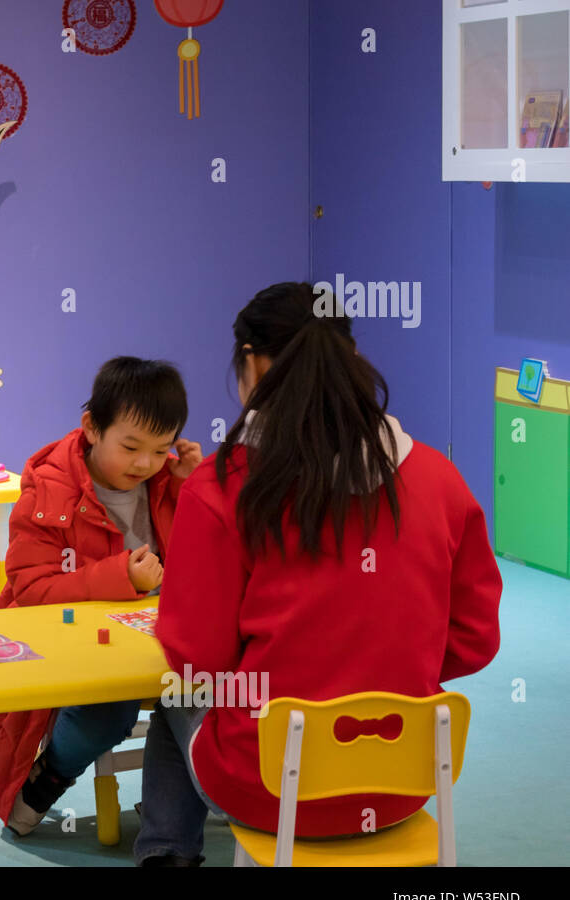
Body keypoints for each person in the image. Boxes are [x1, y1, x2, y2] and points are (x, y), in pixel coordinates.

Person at [134, 282, 502, 866]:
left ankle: (166, 855)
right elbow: (475, 639)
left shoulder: (222, 488)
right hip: (402, 786)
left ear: (251, 364)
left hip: (272, 789)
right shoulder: (438, 478)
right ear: (350, 358)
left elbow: (196, 661)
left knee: (173, 703)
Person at [0, 357, 203, 835]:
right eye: (130, 447)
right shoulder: (49, 490)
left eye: (161, 449)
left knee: (202, 686)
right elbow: (32, 588)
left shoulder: (166, 482)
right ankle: (50, 775)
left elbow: (200, 564)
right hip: (63, 642)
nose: (144, 463)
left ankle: (176, 806)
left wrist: (193, 489)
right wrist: (118, 576)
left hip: (151, 639)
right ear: (92, 428)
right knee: (109, 707)